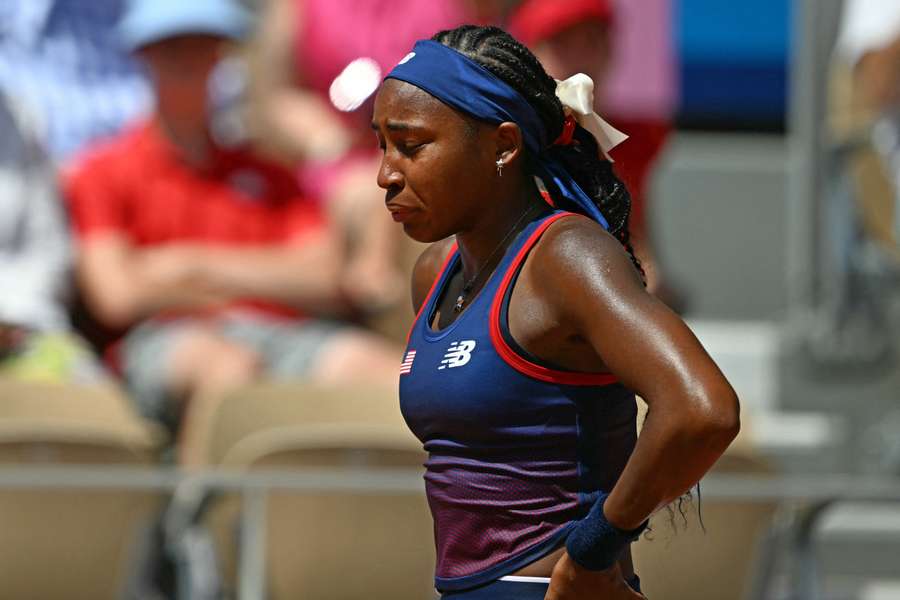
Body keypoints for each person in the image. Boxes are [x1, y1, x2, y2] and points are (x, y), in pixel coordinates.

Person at [371, 26, 740, 598]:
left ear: (503, 146)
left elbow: (702, 410)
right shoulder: (434, 272)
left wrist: (595, 549)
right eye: (382, 145)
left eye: (413, 146)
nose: (386, 175)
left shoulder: (567, 256)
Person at [65, 0, 401, 466]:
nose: (190, 60)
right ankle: (204, 527)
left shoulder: (267, 175)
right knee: (228, 372)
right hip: (165, 345)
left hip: (280, 335)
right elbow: (116, 294)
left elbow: (328, 279)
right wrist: (258, 281)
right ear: (144, 56)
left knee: (393, 376)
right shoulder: (102, 171)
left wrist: (189, 268)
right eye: (172, 48)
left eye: (205, 47)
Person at [0, 91, 105, 383]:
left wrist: (14, 320)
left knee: (92, 399)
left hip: (23, 327)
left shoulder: (18, 116)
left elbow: (48, 248)